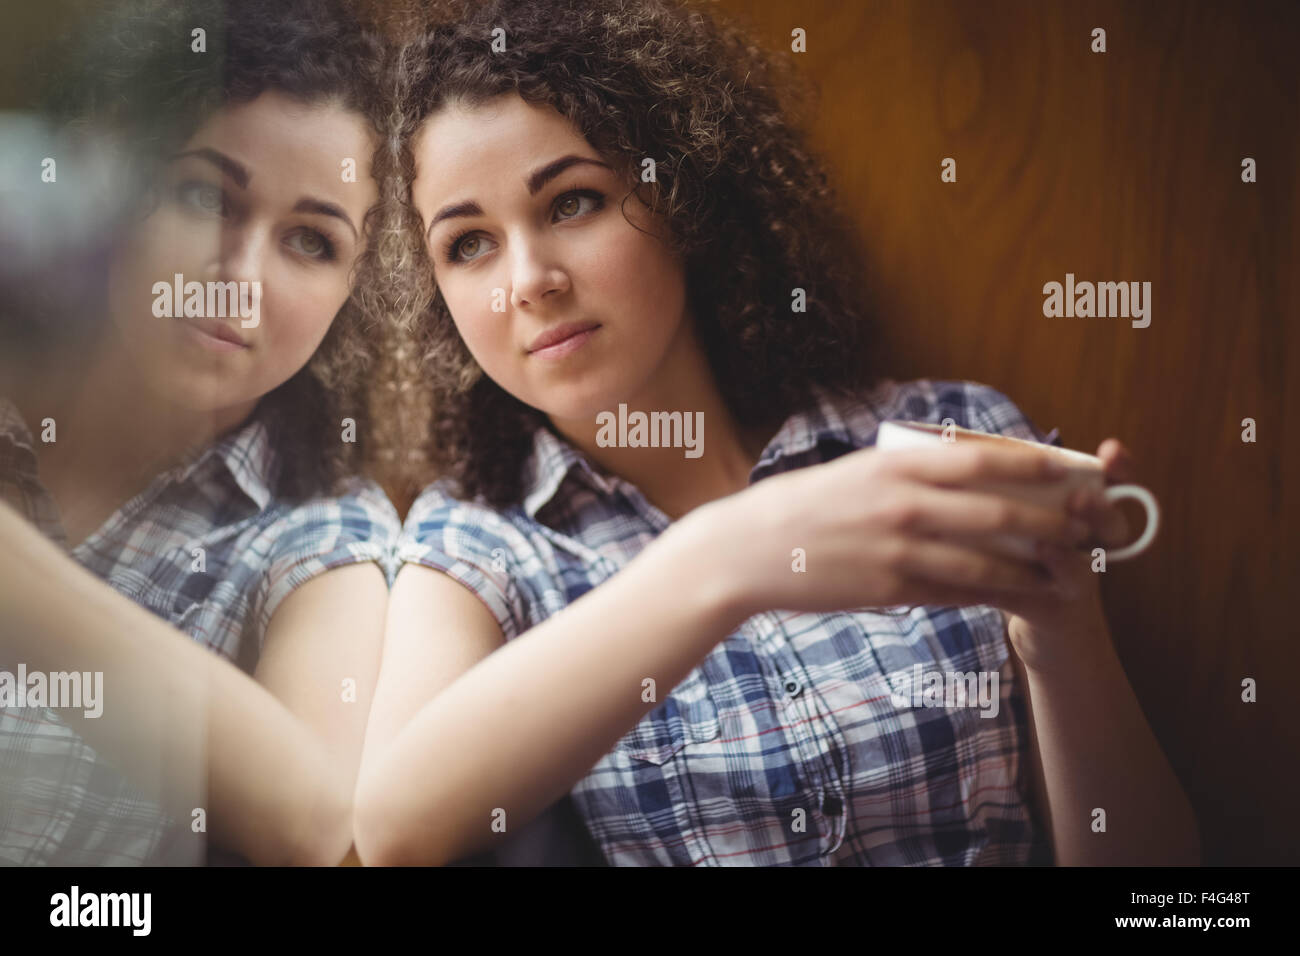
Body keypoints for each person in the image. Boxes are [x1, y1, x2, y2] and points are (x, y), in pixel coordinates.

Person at [354, 0, 1200, 866]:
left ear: (682, 194)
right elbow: (391, 830)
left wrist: (1063, 637)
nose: (529, 280)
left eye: (573, 201)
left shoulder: (953, 438)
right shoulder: (480, 546)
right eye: (468, 245)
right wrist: (725, 556)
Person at [0, 0, 401, 865]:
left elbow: (324, 832)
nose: (239, 278)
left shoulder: (318, 538)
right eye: (204, 195)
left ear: (351, 291)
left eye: (310, 241)